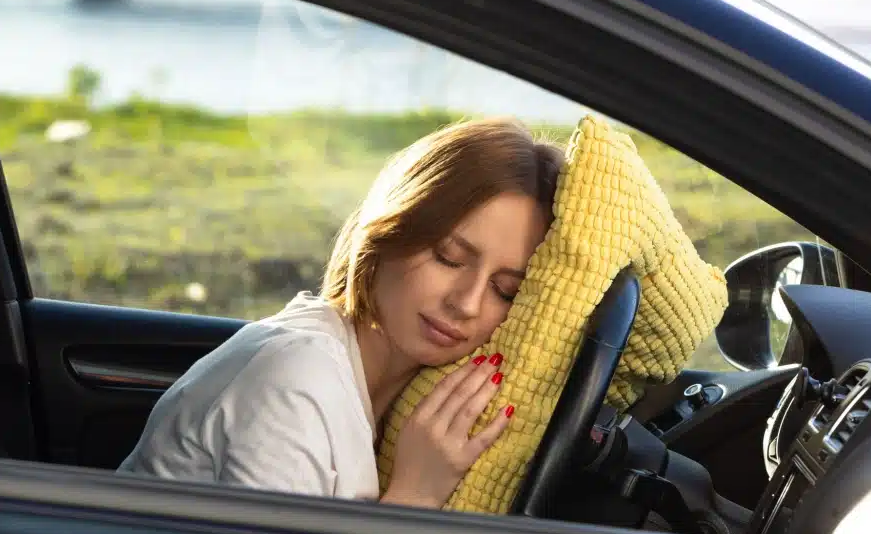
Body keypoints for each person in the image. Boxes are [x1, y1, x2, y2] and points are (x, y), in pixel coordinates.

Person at [118, 117, 565, 509]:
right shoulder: (296, 379)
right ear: (390, 230)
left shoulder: (391, 398)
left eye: (506, 290)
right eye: (448, 257)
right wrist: (416, 496)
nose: (466, 303)